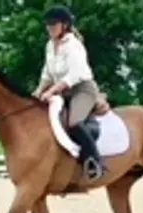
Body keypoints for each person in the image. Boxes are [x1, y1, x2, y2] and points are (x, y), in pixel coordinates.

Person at [32, 4, 108, 181]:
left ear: (64, 25)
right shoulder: (50, 46)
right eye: (48, 24)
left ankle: (95, 162)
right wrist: (37, 91)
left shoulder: (73, 45)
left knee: (73, 122)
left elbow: (74, 74)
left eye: (53, 24)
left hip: (82, 89)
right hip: (62, 91)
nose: (49, 27)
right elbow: (47, 73)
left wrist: (51, 91)